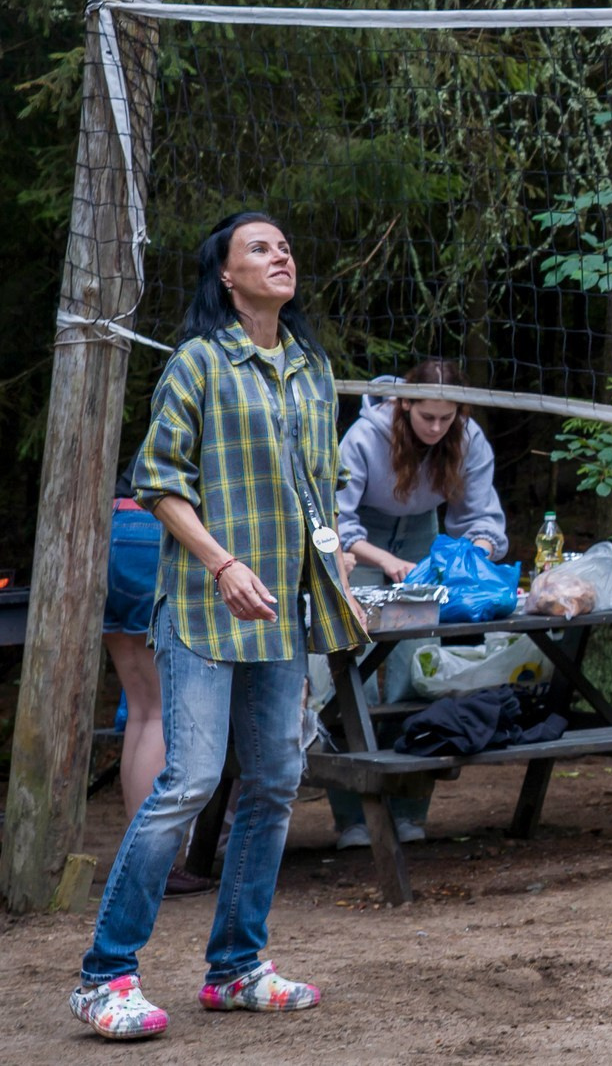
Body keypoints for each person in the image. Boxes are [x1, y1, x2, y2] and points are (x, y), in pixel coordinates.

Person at [71, 211, 367, 1042]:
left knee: (274, 781)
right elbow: (157, 480)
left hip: (283, 614)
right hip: (206, 608)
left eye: (285, 245)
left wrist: (335, 558)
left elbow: (323, 483)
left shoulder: (311, 367)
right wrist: (221, 563)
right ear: (226, 276)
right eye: (260, 248)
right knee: (190, 782)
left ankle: (236, 967)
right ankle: (105, 976)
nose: (281, 254)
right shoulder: (199, 363)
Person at [324, 357, 509, 851]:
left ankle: (409, 810)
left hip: (424, 541)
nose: (435, 427)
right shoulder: (365, 437)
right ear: (405, 404)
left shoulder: (467, 439)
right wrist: (385, 562)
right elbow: (335, 521)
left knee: (415, 672)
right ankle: (354, 819)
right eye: (426, 416)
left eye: (446, 418)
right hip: (360, 547)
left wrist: (472, 555)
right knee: (351, 672)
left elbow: (480, 519)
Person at [102, 457, 217, 897]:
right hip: (155, 532)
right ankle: (155, 866)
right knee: (155, 715)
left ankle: (140, 858)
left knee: (141, 711)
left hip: (112, 526)